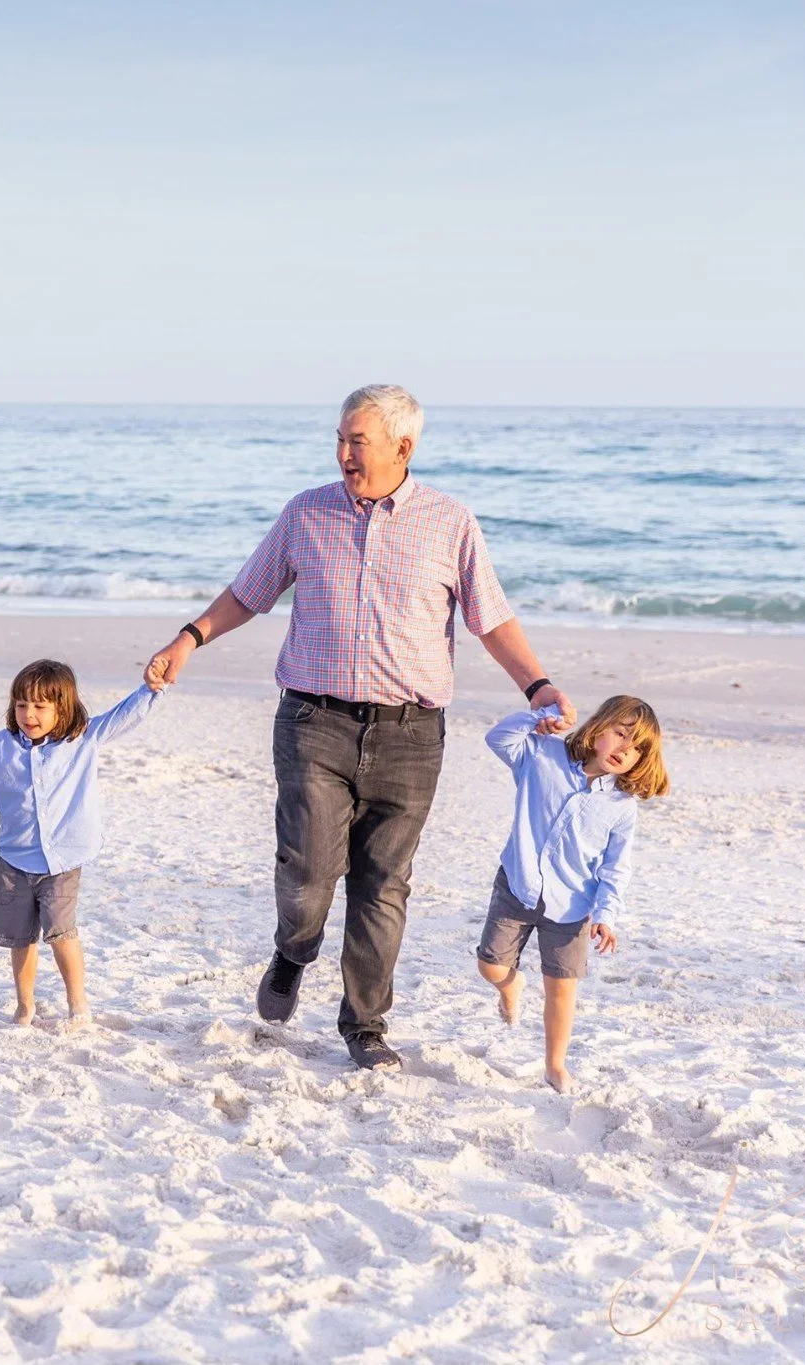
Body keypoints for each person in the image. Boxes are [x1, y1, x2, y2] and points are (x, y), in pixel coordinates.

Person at [145, 384, 576, 1071]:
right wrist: (189, 637)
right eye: (341, 439)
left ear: (403, 447)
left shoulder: (450, 522)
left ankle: (365, 1024)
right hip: (314, 723)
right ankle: (293, 950)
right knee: (311, 876)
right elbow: (247, 592)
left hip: (411, 736)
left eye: (357, 440)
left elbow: (489, 617)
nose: (344, 452)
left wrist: (538, 683)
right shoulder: (306, 513)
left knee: (383, 884)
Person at [0, 660, 164, 1032]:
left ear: (62, 708)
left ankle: (78, 1004)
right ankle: (24, 1006)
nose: (28, 714)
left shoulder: (82, 739)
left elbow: (123, 716)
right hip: (14, 859)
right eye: (21, 705)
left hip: (63, 859)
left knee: (61, 933)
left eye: (39, 706)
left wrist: (151, 689)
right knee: (20, 939)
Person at [477, 694, 669, 1092]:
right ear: (598, 727)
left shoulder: (621, 807)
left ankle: (555, 1065)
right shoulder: (542, 756)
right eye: (619, 734)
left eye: (635, 748)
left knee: (561, 990)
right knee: (491, 968)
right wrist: (545, 716)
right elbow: (498, 738)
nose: (623, 749)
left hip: (572, 908)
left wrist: (606, 915)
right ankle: (511, 986)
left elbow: (616, 868)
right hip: (518, 884)